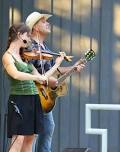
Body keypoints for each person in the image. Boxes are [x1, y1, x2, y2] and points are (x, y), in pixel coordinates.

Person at [25, 12, 85, 152]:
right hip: (33, 94)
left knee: (48, 128)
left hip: (44, 96)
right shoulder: (30, 47)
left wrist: (72, 68)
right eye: (43, 21)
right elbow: (29, 70)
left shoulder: (46, 49)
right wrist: (48, 79)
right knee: (32, 134)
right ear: (35, 28)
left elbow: (54, 70)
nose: (48, 23)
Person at [2, 23, 65, 152]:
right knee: (18, 138)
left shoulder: (25, 57)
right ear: (20, 35)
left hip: (33, 99)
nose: (30, 39)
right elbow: (16, 74)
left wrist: (56, 64)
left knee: (30, 138)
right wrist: (36, 78)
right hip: (19, 99)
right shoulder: (7, 56)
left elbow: (43, 78)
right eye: (28, 36)